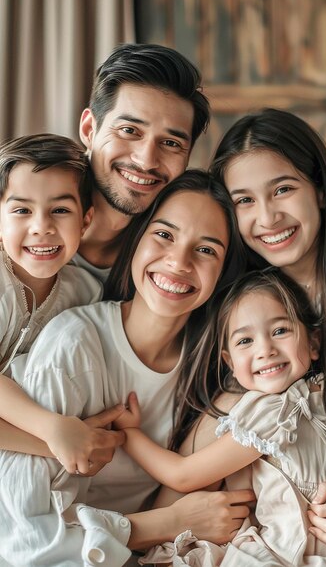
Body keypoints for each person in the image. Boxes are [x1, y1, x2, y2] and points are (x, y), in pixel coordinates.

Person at [0, 170, 253, 567]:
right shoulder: (75, 344)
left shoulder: (220, 367)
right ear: (137, 239)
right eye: (164, 235)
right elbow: (26, 541)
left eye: (206, 250)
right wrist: (165, 523)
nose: (178, 262)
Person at [115, 268, 326, 566]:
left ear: (314, 343)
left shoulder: (312, 401)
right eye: (244, 341)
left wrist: (131, 435)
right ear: (230, 362)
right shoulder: (278, 409)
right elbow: (186, 477)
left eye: (280, 331)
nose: (265, 350)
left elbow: (184, 474)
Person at [207, 108, 326, 556]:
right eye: (244, 200)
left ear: (321, 191)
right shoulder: (234, 304)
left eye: (283, 189)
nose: (267, 217)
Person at [0, 134, 124, 463]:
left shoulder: (85, 292)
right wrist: (54, 434)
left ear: (85, 221)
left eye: (60, 210)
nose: (42, 226)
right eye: (22, 210)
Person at [73, 43, 211, 282]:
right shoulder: (15, 223)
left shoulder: (173, 262)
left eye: (170, 143)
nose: (146, 161)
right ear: (89, 130)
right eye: (129, 130)